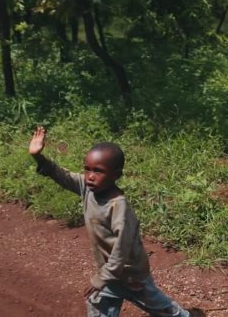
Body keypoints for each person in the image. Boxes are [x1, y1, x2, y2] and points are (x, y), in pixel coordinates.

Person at [29, 126, 202, 317]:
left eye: (98, 171)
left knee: (161, 309)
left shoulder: (119, 207)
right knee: (97, 306)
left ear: (116, 175)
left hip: (131, 275)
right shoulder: (87, 188)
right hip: (110, 275)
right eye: (87, 169)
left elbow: (122, 250)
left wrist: (101, 278)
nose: (90, 176)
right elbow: (61, 175)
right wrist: (38, 156)